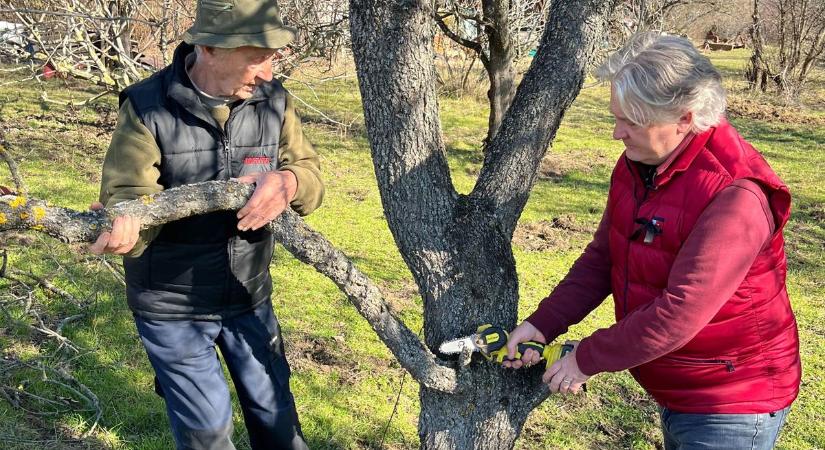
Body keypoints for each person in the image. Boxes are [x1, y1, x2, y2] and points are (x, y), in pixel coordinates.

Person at [505, 32, 800, 450]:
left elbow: (681, 311)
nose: (616, 134)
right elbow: (602, 258)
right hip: (678, 387)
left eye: (632, 121)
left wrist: (586, 359)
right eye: (616, 116)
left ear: (685, 116)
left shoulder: (735, 196)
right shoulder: (641, 163)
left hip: (729, 399)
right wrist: (542, 324)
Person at [88, 0, 323, 448]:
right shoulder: (146, 107)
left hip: (248, 294)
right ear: (210, 48)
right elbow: (127, 195)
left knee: (277, 422)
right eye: (258, 59)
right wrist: (126, 225)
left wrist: (289, 181)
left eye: (274, 58)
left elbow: (310, 173)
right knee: (209, 432)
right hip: (171, 304)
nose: (268, 73)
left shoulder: (274, 102)